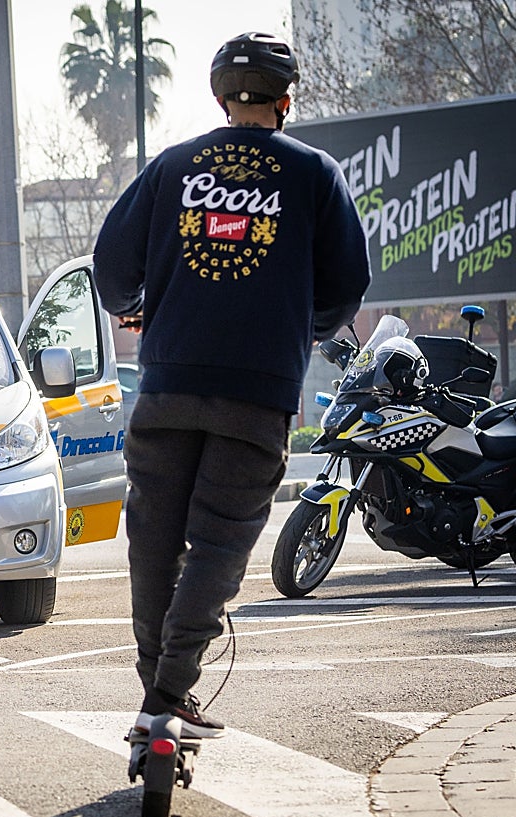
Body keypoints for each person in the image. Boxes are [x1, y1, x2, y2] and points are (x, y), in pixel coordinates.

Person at [93, 32, 370, 738]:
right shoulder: (314, 173)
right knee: (218, 544)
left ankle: (157, 691)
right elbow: (347, 284)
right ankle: (171, 690)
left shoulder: (173, 166)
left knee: (153, 538)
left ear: (219, 98)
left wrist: (133, 302)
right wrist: (301, 329)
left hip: (169, 382)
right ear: (285, 101)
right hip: (258, 390)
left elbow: (111, 262)